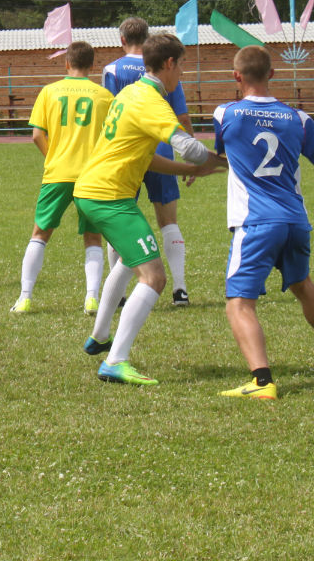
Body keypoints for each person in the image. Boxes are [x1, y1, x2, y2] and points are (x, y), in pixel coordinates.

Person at [76, 34, 223, 385]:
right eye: (182, 65)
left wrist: (193, 171)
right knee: (154, 276)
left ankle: (99, 338)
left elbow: (146, 158)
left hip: (92, 190)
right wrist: (225, 161)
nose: (182, 74)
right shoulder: (152, 99)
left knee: (130, 260)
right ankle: (116, 361)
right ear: (169, 64)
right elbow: (187, 146)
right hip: (109, 196)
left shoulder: (129, 92)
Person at [212, 45, 314, 400]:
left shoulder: (226, 113)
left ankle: (261, 381)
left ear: (236, 77)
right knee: (302, 284)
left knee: (239, 302)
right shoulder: (298, 119)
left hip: (255, 222)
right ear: (273, 74)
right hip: (294, 219)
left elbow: (220, 152)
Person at [11, 41, 114, 316]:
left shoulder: (49, 91)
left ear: (66, 63)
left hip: (58, 173)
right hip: (92, 176)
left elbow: (36, 135)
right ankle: (92, 299)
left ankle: (25, 298)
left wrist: (52, 157)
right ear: (92, 65)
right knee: (93, 237)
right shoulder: (104, 96)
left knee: (40, 234)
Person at [102, 17, 194, 306]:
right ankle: (180, 289)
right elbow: (181, 115)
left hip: (127, 156)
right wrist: (189, 152)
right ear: (148, 37)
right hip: (163, 150)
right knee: (168, 221)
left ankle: (118, 296)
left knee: (119, 223)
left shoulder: (112, 69)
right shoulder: (162, 64)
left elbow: (111, 114)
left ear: (122, 40)